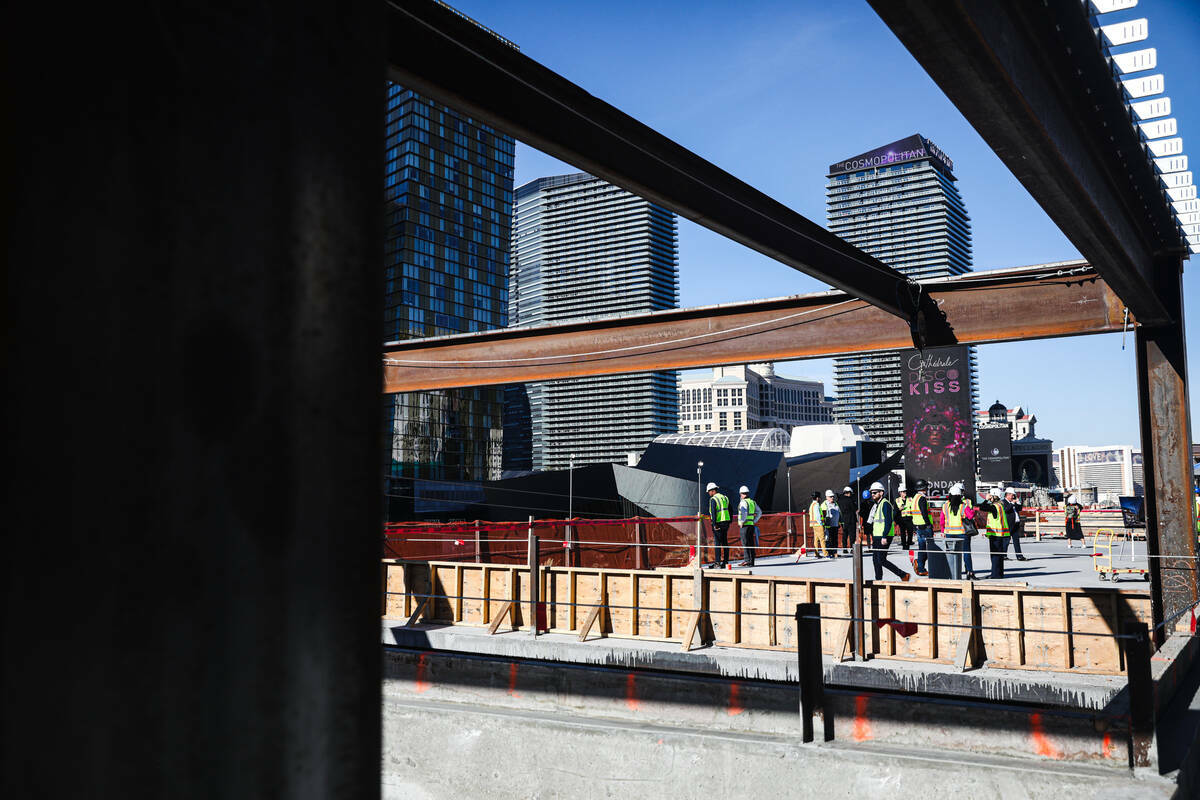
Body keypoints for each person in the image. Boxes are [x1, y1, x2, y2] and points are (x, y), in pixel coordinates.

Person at [866, 482, 911, 582]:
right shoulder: (877, 504)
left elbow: (888, 521)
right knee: (875, 560)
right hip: (877, 535)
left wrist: (884, 536)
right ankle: (878, 579)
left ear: (881, 493)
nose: (872, 495)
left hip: (884, 535)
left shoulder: (885, 504)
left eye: (874, 493)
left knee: (881, 559)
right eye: (872, 493)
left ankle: (903, 574)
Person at [940, 483, 977, 580]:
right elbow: (971, 516)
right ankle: (970, 573)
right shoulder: (963, 506)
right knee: (966, 553)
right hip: (962, 534)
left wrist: (942, 531)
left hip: (949, 534)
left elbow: (942, 520)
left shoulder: (945, 506)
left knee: (951, 554)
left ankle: (951, 573)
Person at [977, 487, 1011, 578]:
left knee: (995, 555)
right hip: (1000, 534)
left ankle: (995, 574)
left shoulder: (995, 507)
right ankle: (999, 574)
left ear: (994, 496)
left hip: (995, 534)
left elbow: (982, 507)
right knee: (999, 555)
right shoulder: (1000, 505)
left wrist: (986, 499)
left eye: (991, 496)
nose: (989, 497)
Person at [909, 480, 934, 577]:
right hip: (924, 527)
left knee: (922, 548)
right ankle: (920, 567)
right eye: (926, 487)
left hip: (918, 526)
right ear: (923, 488)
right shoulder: (922, 499)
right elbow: (924, 513)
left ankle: (919, 564)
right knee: (927, 549)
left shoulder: (915, 498)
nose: (927, 489)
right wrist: (928, 525)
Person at [706, 482, 731, 569]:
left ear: (713, 491)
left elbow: (713, 512)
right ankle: (726, 562)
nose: (709, 493)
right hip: (726, 522)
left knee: (717, 543)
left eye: (709, 491)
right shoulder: (725, 497)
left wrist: (714, 524)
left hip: (718, 523)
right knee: (725, 542)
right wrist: (729, 521)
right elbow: (730, 509)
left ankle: (717, 563)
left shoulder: (713, 499)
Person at [737, 485, 762, 567]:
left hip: (745, 526)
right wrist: (754, 521)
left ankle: (747, 561)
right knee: (751, 543)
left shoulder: (743, 502)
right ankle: (752, 561)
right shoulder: (752, 502)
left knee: (745, 543)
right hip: (751, 525)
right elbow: (759, 512)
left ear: (742, 494)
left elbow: (743, 513)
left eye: (740, 494)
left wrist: (742, 522)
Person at [1003, 487, 1029, 561]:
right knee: (1006, 540)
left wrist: (1018, 503)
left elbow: (1019, 509)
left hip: (1015, 524)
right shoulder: (1004, 502)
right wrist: (1012, 503)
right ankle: (1003, 555)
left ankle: (1019, 556)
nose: (1013, 497)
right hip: (1008, 524)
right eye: (1012, 495)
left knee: (1016, 541)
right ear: (1008, 495)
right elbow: (1006, 510)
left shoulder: (1013, 502)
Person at [837, 486, 858, 556]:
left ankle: (844, 549)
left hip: (843, 520)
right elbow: (856, 509)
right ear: (848, 493)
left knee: (844, 535)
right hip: (851, 520)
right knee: (852, 535)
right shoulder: (850, 500)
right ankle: (852, 549)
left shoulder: (839, 500)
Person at [808, 491, 829, 558]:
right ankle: (826, 554)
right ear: (817, 498)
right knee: (822, 540)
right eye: (819, 497)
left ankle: (816, 554)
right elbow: (817, 515)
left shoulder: (812, 505)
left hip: (813, 525)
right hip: (818, 524)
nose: (820, 498)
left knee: (816, 540)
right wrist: (821, 524)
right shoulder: (816, 505)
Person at [822, 489, 842, 558]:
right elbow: (823, 515)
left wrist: (840, 522)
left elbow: (839, 513)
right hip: (828, 526)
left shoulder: (836, 504)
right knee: (828, 539)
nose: (832, 498)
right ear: (827, 497)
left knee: (835, 539)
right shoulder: (824, 504)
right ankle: (829, 553)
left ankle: (835, 552)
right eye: (830, 496)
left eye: (833, 496)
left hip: (835, 525)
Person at [896, 485, 914, 552]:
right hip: (902, 519)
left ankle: (909, 543)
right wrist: (899, 509)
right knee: (903, 533)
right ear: (900, 493)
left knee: (910, 532)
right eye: (903, 492)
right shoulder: (897, 500)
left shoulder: (910, 499)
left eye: (905, 491)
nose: (905, 493)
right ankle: (904, 545)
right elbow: (895, 511)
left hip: (909, 518)